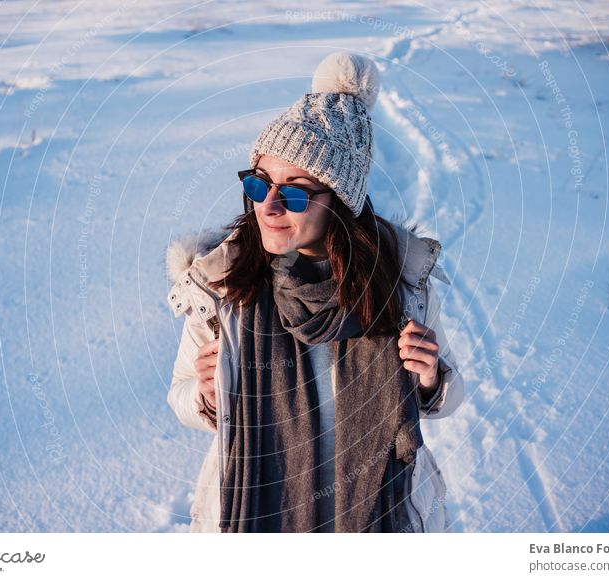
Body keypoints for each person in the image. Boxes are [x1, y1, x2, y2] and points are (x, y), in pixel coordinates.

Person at [165, 51, 464, 533]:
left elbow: (448, 398)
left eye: (297, 192)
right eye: (260, 185)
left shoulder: (397, 283)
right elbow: (182, 398)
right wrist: (205, 392)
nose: (271, 205)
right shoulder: (225, 286)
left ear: (340, 204)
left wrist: (429, 377)